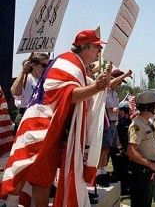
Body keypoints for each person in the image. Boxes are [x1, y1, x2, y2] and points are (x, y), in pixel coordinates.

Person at [2, 27, 110, 207]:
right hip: (41, 128)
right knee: (28, 171)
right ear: (84, 47)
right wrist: (97, 87)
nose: (100, 50)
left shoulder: (78, 67)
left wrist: (104, 83)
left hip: (53, 130)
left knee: (41, 177)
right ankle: (10, 203)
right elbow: (67, 95)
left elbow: (92, 90)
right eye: (97, 47)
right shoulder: (67, 62)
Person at [98, 68, 132, 187]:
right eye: (119, 82)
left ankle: (103, 172)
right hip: (105, 121)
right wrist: (113, 110)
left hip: (112, 122)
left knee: (107, 149)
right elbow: (104, 106)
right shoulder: (106, 90)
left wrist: (119, 112)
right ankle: (98, 174)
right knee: (103, 150)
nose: (119, 85)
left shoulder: (114, 93)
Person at [127, 91, 155, 207]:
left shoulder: (145, 124)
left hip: (147, 170)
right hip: (141, 171)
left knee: (146, 201)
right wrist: (151, 165)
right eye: (154, 106)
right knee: (141, 202)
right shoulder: (137, 125)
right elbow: (131, 151)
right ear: (149, 107)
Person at [10, 53, 49, 135]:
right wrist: (23, 71)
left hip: (41, 115)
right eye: (44, 65)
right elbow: (15, 92)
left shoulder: (47, 81)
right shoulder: (26, 78)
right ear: (34, 65)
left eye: (48, 65)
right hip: (25, 115)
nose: (46, 68)